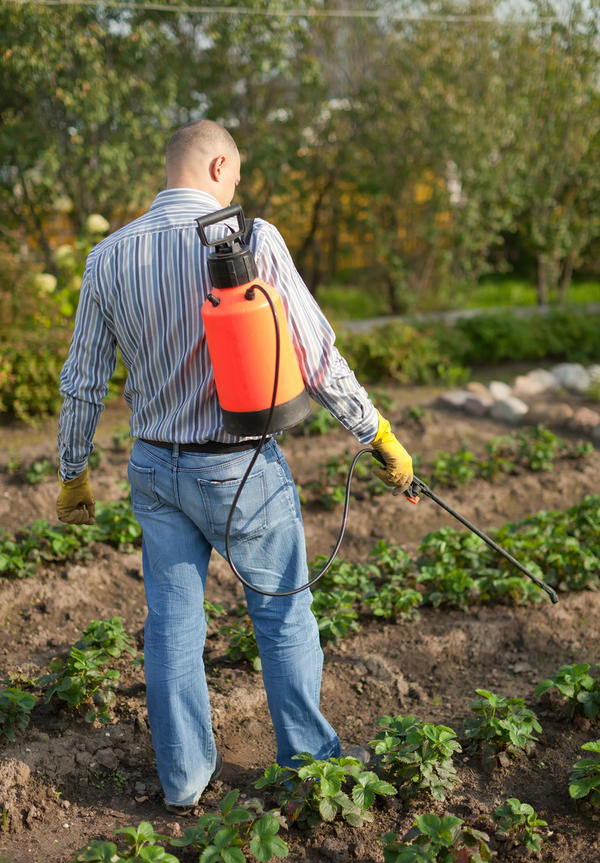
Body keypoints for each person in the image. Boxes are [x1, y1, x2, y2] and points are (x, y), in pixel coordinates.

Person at [56, 119, 413, 814]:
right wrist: (377, 436)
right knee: (281, 613)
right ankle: (308, 764)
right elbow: (314, 355)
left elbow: (83, 381)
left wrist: (73, 473)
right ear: (220, 165)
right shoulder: (250, 239)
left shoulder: (108, 256)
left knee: (172, 626)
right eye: (238, 175)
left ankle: (184, 780)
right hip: (239, 467)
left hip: (155, 468)